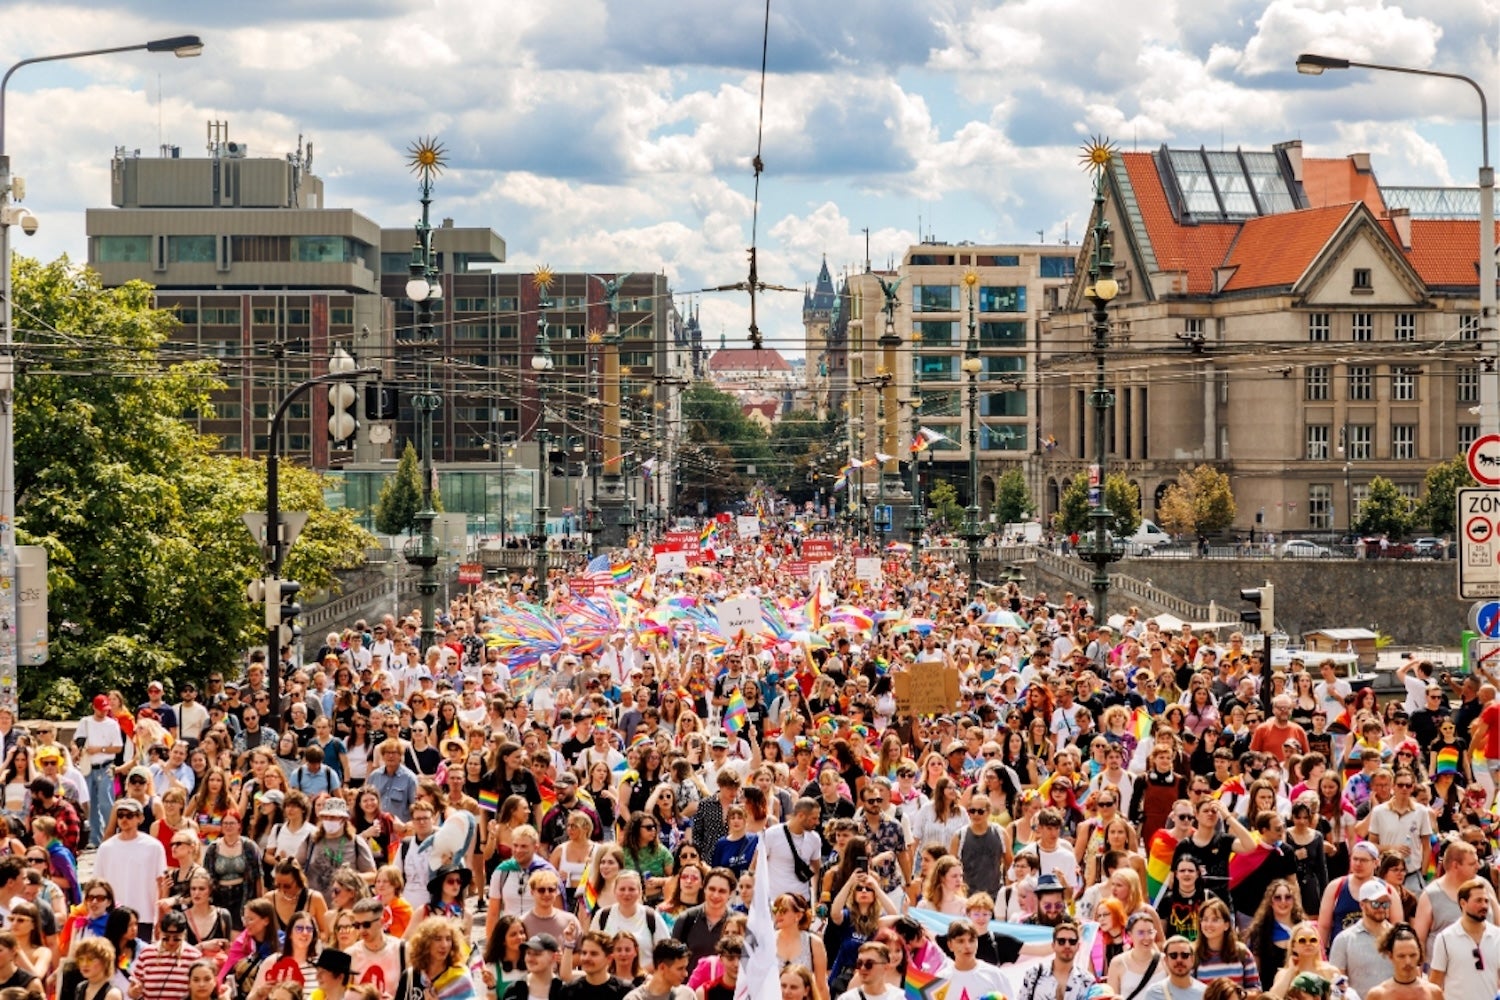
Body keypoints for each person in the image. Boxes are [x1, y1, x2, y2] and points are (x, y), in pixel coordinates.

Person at [94, 797, 166, 941]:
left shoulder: (154, 847)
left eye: (129, 815)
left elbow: (161, 883)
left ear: (140, 818)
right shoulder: (106, 848)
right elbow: (98, 883)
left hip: (144, 914)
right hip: (113, 915)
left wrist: (160, 917)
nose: (124, 819)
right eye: (120, 815)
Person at [1429, 876, 1500, 995]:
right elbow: (1435, 985)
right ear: (1463, 903)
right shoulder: (1445, 939)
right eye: (1478, 901)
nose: (1484, 906)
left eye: (1486, 901)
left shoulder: (1497, 936)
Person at [1328, 879, 1395, 1000]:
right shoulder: (1344, 940)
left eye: (1385, 904)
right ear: (1362, 905)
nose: (1381, 908)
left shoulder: (1399, 937)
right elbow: (1336, 986)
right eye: (1375, 904)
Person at [75, 695, 124, 849]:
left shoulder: (112, 724)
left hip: (105, 765)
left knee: (106, 802)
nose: (103, 712)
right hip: (88, 767)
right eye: (101, 709)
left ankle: (112, 835)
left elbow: (118, 747)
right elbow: (76, 741)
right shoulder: (85, 722)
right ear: (93, 707)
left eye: (106, 709)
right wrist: (77, 751)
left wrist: (100, 749)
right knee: (90, 804)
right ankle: (94, 838)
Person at [127, 909, 202, 1000]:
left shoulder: (194, 957)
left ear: (183, 934)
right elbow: (132, 990)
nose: (171, 942)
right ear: (160, 932)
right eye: (166, 937)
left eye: (176, 938)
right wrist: (134, 991)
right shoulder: (146, 954)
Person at [757, 798, 821, 902]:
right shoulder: (772, 834)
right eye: (814, 818)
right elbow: (757, 864)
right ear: (801, 815)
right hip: (776, 901)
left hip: (802, 901)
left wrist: (815, 897)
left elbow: (816, 869)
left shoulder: (814, 838)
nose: (817, 822)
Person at [670, 867, 735, 965]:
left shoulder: (737, 923)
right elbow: (673, 959)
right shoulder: (686, 919)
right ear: (704, 889)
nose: (716, 895)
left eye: (722, 891)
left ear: (730, 894)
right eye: (712, 889)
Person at [1017, 920, 1094, 1000]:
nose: (1067, 945)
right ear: (1053, 945)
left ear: (1078, 946)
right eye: (1061, 941)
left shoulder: (1087, 980)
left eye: (1072, 942)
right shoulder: (1034, 973)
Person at [402, 917, 474, 1000]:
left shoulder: (461, 979)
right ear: (425, 943)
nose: (444, 945)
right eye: (438, 939)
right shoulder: (410, 976)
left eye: (448, 939)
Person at [1363, 924, 1441, 1000]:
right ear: (1391, 956)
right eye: (1401, 956)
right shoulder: (1378, 995)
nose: (1408, 962)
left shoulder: (1433, 993)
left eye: (1412, 955)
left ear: (1419, 954)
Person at [346, 897, 404, 998]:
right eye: (357, 925)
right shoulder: (350, 954)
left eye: (366, 924)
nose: (361, 930)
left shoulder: (401, 950)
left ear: (381, 921)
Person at [941, 918, 1008, 1000]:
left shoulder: (995, 975)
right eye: (960, 941)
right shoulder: (940, 980)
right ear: (950, 945)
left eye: (971, 940)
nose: (967, 946)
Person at [1108, 910, 1168, 1000]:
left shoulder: (1166, 961)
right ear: (1130, 935)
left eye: (1150, 932)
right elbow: (1112, 996)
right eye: (1141, 933)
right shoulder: (1117, 963)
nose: (1147, 938)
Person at [623, 939, 693, 1000]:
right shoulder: (634, 998)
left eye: (685, 968)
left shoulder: (687, 995)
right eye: (680, 969)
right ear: (662, 967)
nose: (685, 974)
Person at [1144, 936, 1207, 1000]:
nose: (1179, 960)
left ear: (1192, 959)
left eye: (1184, 955)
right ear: (1166, 960)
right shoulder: (1154, 994)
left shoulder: (1205, 993)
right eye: (1173, 955)